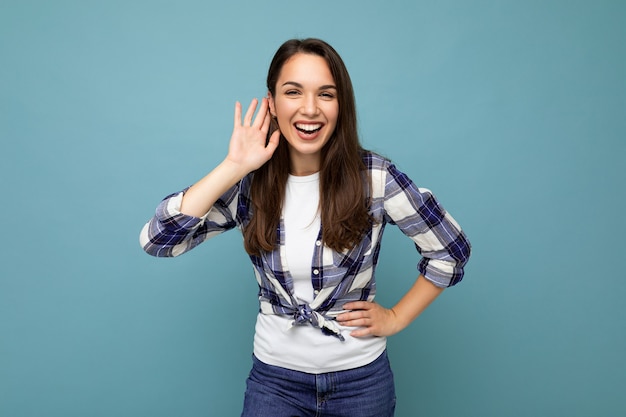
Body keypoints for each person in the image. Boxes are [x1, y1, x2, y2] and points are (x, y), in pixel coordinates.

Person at [140, 38, 471, 417]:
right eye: (293, 92)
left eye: (326, 94)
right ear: (272, 103)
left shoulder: (374, 178)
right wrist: (234, 165)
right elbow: (158, 240)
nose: (310, 109)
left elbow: (451, 249)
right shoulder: (250, 182)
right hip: (274, 384)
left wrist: (397, 317)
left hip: (361, 383)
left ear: (341, 104)